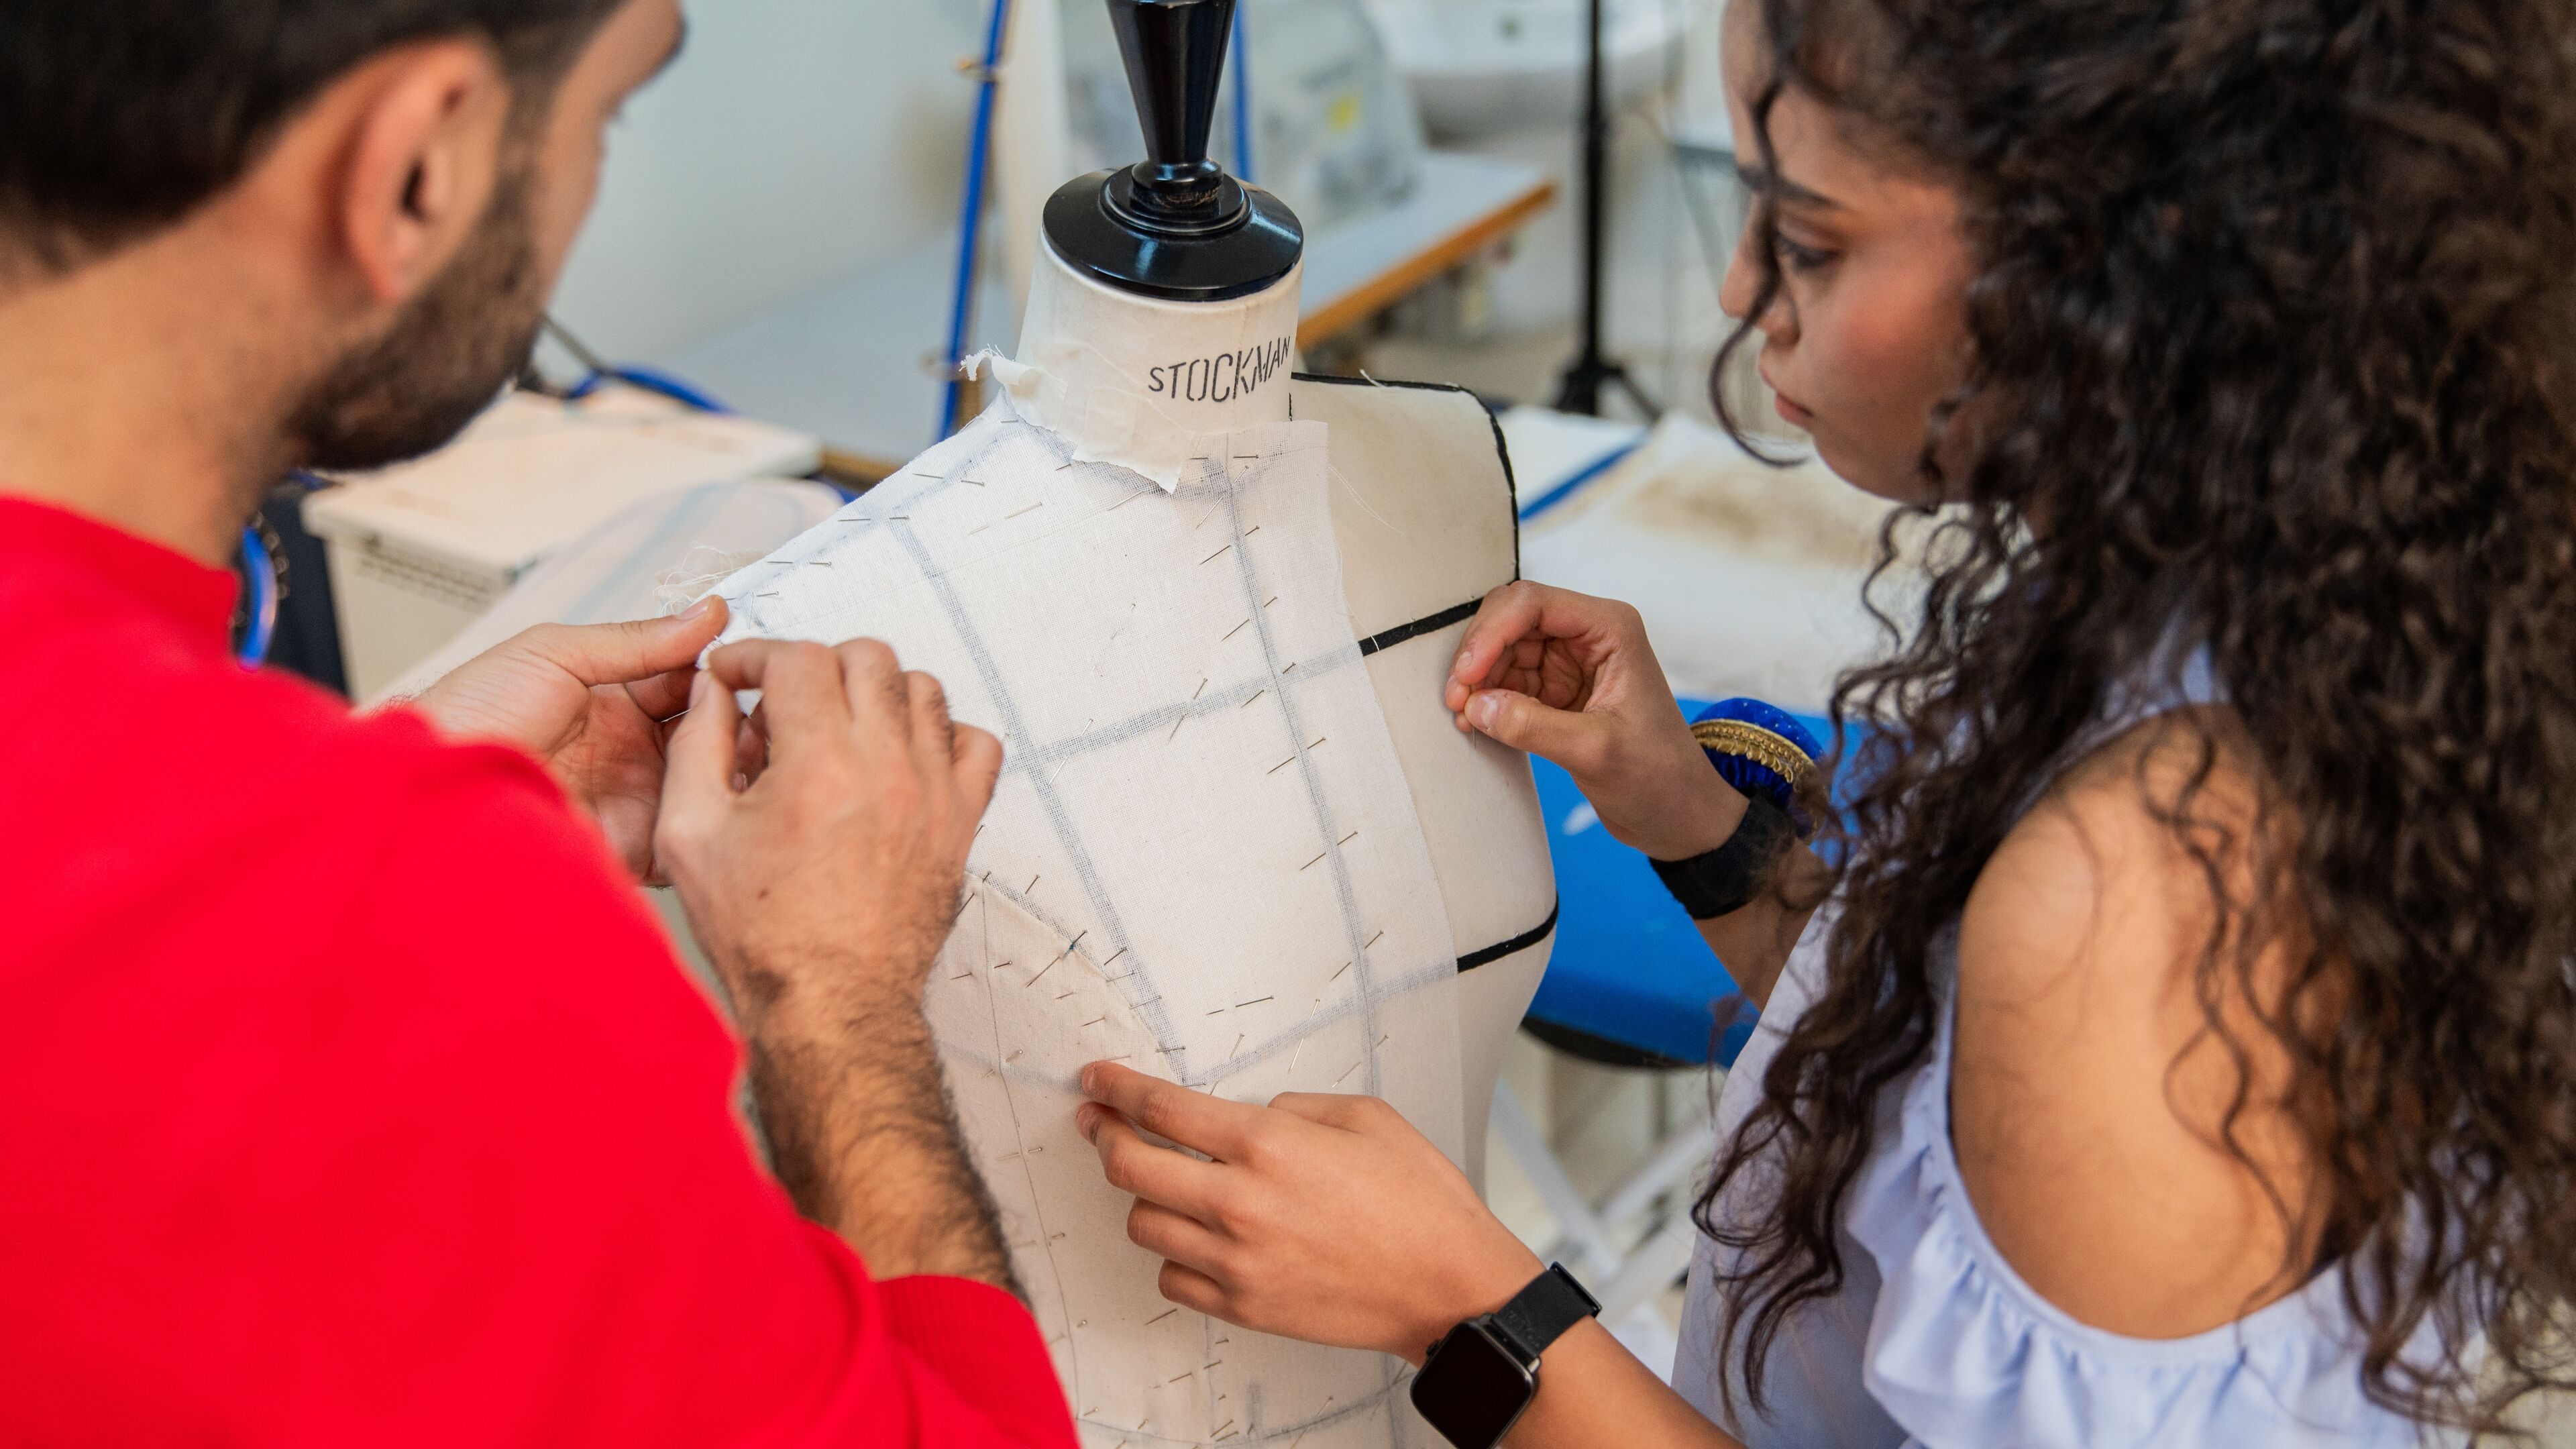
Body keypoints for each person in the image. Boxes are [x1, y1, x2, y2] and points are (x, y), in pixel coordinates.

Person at [1073, 0, 2576, 1444]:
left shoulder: (2144, 909)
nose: (1737, 291)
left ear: (2124, 263)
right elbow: (1939, 1106)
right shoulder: (2262, 596)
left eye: (1804, 235)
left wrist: (1468, 1307)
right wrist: (1703, 828)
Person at [0, 3, 1073, 1445]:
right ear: (417, 167)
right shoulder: (426, 940)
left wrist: (354, 806)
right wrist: (835, 997)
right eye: (606, 114)